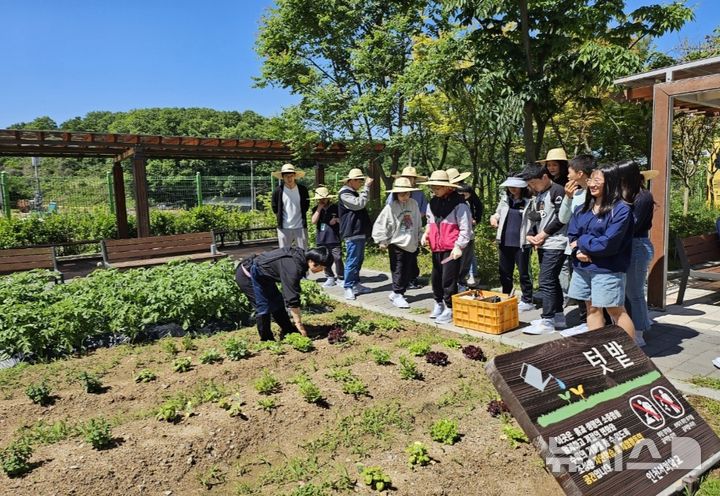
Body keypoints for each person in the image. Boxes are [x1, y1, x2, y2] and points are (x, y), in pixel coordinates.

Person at [567, 164, 636, 342]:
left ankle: (631, 354)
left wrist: (582, 243)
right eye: (591, 180)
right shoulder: (582, 208)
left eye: (598, 180)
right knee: (591, 308)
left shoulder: (621, 209)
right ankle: (597, 347)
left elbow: (608, 243)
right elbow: (572, 235)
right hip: (582, 267)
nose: (592, 184)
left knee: (615, 310)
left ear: (611, 183)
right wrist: (576, 251)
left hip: (607, 269)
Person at [235, 246, 333, 340]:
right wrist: (299, 324)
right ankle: (267, 340)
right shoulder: (293, 267)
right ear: (312, 261)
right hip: (247, 275)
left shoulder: (299, 258)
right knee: (263, 307)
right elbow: (291, 297)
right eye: (322, 267)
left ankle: (289, 330)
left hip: (263, 277)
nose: (323, 271)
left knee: (277, 302)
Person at [419, 170, 472, 324]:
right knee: (436, 278)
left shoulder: (460, 204)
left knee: (448, 279)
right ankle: (438, 303)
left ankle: (450, 308)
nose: (434, 190)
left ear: (447, 187)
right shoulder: (433, 202)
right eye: (433, 187)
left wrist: (459, 246)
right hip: (436, 246)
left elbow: (465, 228)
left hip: (451, 247)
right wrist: (426, 234)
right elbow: (430, 221)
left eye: (437, 187)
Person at [521, 163, 568, 335]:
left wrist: (543, 234)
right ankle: (558, 316)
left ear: (544, 177)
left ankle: (547, 319)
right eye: (529, 185)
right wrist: (531, 234)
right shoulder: (539, 194)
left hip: (556, 243)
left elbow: (561, 218)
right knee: (552, 280)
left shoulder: (558, 191)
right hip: (543, 243)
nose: (531, 187)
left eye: (533, 183)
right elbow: (536, 218)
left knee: (546, 280)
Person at [557, 154, 596, 336]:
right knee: (581, 291)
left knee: (596, 291)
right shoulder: (576, 194)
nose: (567, 175)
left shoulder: (598, 194)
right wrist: (568, 197)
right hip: (574, 249)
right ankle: (585, 321)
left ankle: (599, 324)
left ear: (580, 173)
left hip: (592, 249)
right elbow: (563, 218)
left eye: (570, 171)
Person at [619, 161, 655, 347]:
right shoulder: (626, 194)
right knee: (626, 292)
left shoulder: (644, 196)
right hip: (626, 246)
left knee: (635, 292)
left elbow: (633, 224)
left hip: (637, 245)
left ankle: (639, 333)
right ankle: (630, 328)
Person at [372, 177, 423, 308]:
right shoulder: (391, 207)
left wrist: (419, 236)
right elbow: (381, 223)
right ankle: (398, 293)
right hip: (397, 243)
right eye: (401, 194)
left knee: (408, 270)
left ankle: (398, 292)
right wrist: (382, 240)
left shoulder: (414, 204)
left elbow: (417, 221)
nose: (404, 196)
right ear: (396, 194)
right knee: (398, 269)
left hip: (410, 242)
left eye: (406, 193)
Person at [489, 175, 534, 311]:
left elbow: (534, 220)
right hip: (504, 241)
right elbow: (498, 213)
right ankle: (506, 296)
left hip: (522, 243)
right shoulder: (505, 199)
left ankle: (527, 299)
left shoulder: (530, 201)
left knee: (524, 272)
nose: (512, 189)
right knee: (504, 272)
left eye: (515, 186)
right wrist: (494, 217)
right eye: (510, 186)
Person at [387, 166, 428, 289]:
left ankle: (412, 279)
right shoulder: (394, 193)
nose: (410, 179)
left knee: (412, 255)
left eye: (412, 178)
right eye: (407, 177)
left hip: (413, 229)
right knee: (399, 260)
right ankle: (400, 285)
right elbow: (389, 210)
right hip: (399, 231)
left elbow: (424, 209)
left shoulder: (419, 193)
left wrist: (413, 217)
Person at [338, 168, 374, 300]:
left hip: (359, 231)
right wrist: (366, 188)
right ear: (351, 181)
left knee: (358, 260)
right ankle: (348, 286)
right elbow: (359, 204)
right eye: (359, 180)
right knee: (352, 260)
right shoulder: (344, 193)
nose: (361, 182)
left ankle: (356, 284)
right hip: (352, 231)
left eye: (362, 180)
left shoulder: (352, 192)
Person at [271, 163, 310, 249]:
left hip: (300, 226)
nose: (289, 178)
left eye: (291, 176)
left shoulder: (302, 190)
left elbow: (306, 205)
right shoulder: (277, 191)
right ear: (283, 177)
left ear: (294, 176)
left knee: (303, 252)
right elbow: (274, 207)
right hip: (284, 227)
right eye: (286, 176)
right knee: (284, 253)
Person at [311, 186, 343, 288]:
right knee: (324, 259)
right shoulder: (315, 209)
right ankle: (330, 277)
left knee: (337, 258)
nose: (322, 200)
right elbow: (313, 221)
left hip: (334, 238)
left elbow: (343, 220)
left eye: (324, 198)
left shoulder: (335, 207)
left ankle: (341, 277)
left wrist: (337, 220)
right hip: (321, 239)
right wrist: (319, 209)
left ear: (328, 198)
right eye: (319, 199)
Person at [456, 182, 484, 288]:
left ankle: (471, 275)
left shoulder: (471, 201)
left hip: (469, 230)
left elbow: (479, 208)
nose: (463, 196)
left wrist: (476, 219)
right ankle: (461, 279)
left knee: (469, 254)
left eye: (465, 194)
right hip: (457, 230)